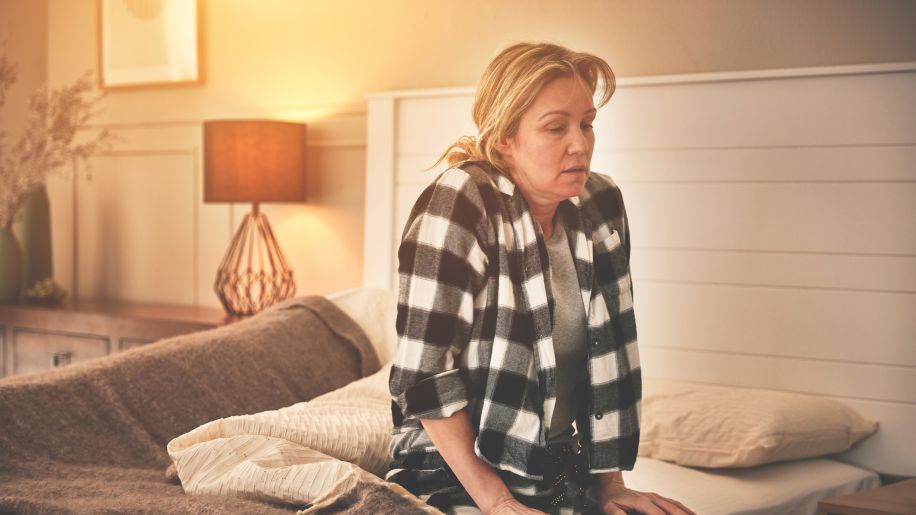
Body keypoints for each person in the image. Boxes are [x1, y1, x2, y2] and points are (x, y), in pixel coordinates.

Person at [387, 42, 695, 515]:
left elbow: (603, 362)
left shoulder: (601, 203)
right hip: (453, 474)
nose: (581, 143)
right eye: (556, 128)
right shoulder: (461, 200)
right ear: (504, 137)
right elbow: (424, 375)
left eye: (587, 124)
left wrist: (611, 488)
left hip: (559, 470)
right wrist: (497, 503)